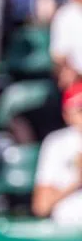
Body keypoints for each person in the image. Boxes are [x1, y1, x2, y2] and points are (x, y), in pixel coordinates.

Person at [32, 81, 82, 225]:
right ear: (67, 114)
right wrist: (76, 180)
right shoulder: (56, 143)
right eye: (80, 110)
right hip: (64, 231)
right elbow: (41, 206)